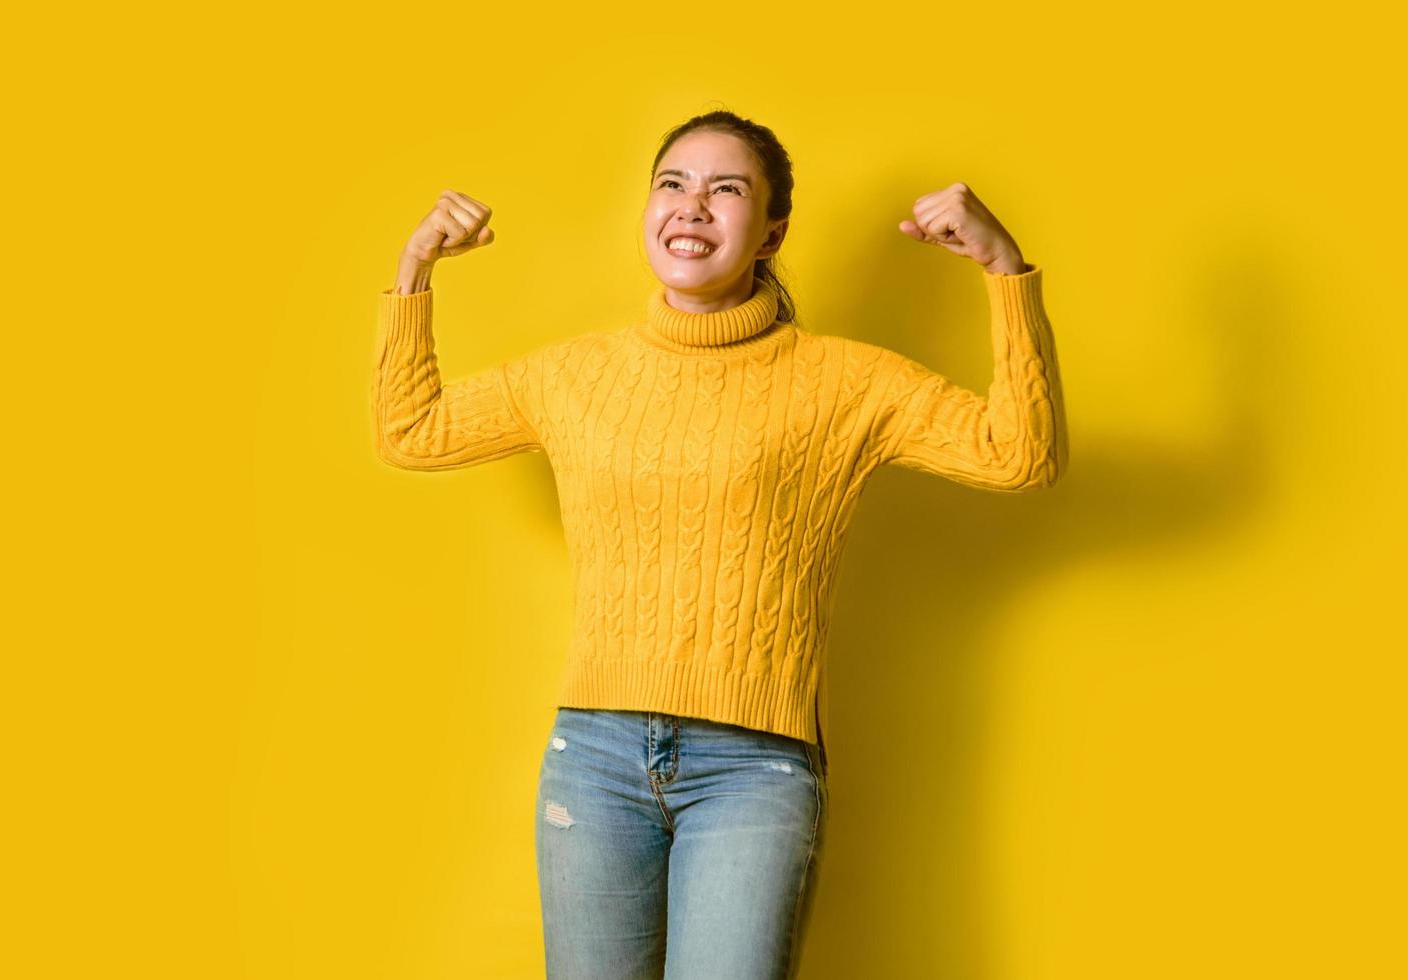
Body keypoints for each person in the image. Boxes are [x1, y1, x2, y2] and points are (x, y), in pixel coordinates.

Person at [369, 110, 1067, 980]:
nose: (691, 206)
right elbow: (411, 430)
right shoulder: (573, 376)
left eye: (724, 189)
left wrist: (1003, 269)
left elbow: (1021, 455)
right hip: (593, 757)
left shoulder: (846, 382)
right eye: (672, 184)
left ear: (771, 231)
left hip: (755, 765)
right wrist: (416, 268)